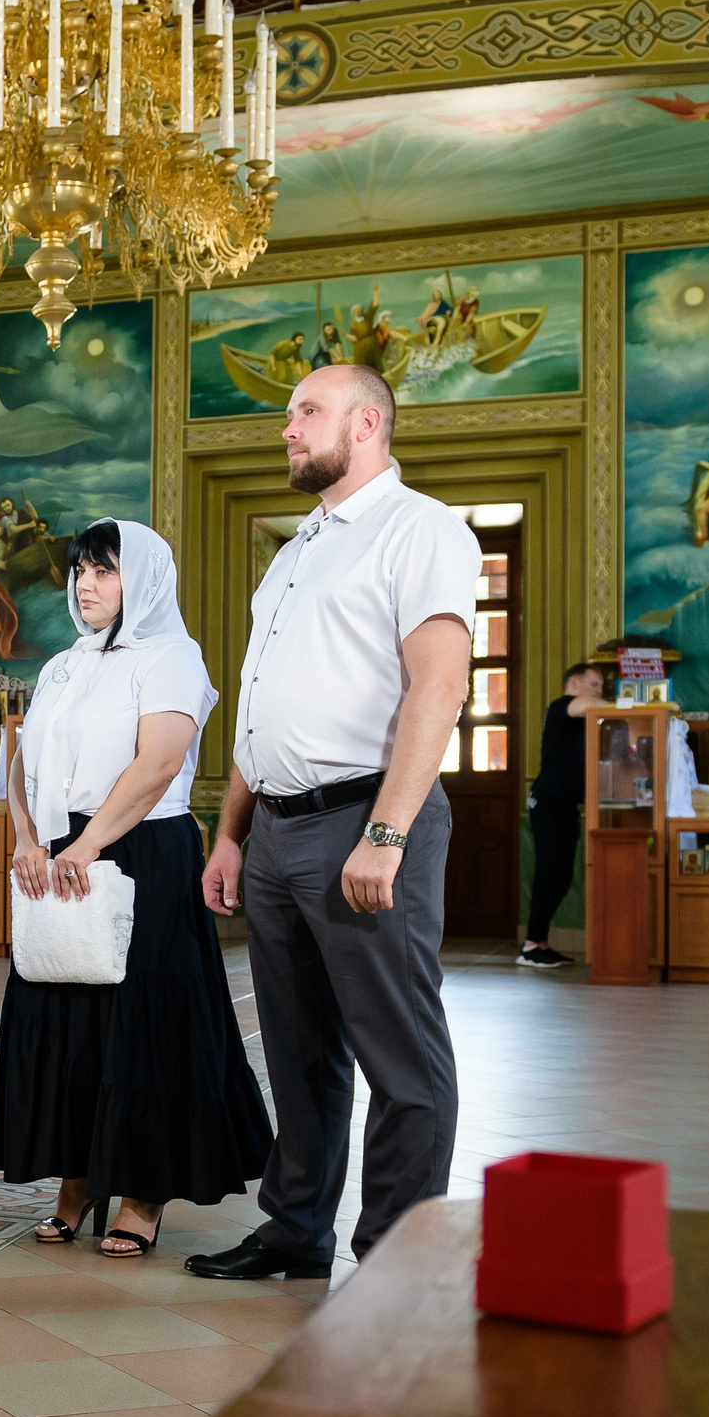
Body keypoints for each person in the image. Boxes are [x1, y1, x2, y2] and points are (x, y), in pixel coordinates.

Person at [194, 365, 482, 1280]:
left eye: (306, 412)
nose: (287, 429)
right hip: (277, 829)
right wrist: (232, 832)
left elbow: (440, 685)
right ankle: (295, 1230)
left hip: (365, 817)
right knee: (298, 1050)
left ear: (366, 424)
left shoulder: (420, 529)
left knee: (400, 1054)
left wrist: (387, 834)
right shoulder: (295, 552)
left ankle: (398, 1261)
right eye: (288, 414)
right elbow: (261, 706)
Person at [0, 520, 274, 1257]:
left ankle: (143, 1195)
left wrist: (88, 845)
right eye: (80, 571)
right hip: (59, 850)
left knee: (143, 1024)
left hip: (142, 850)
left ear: (142, 580)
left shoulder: (172, 656)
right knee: (69, 1020)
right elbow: (21, 760)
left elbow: (158, 764)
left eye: (104, 571)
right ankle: (78, 1182)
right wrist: (27, 839)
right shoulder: (63, 665)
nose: (85, 585)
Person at [519, 661, 600, 969]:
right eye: (594, 684)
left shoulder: (577, 716)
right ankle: (530, 945)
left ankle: (540, 942)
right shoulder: (562, 705)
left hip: (565, 804)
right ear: (575, 684)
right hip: (548, 802)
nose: (598, 691)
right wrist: (627, 704)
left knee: (562, 875)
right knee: (549, 871)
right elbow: (587, 706)